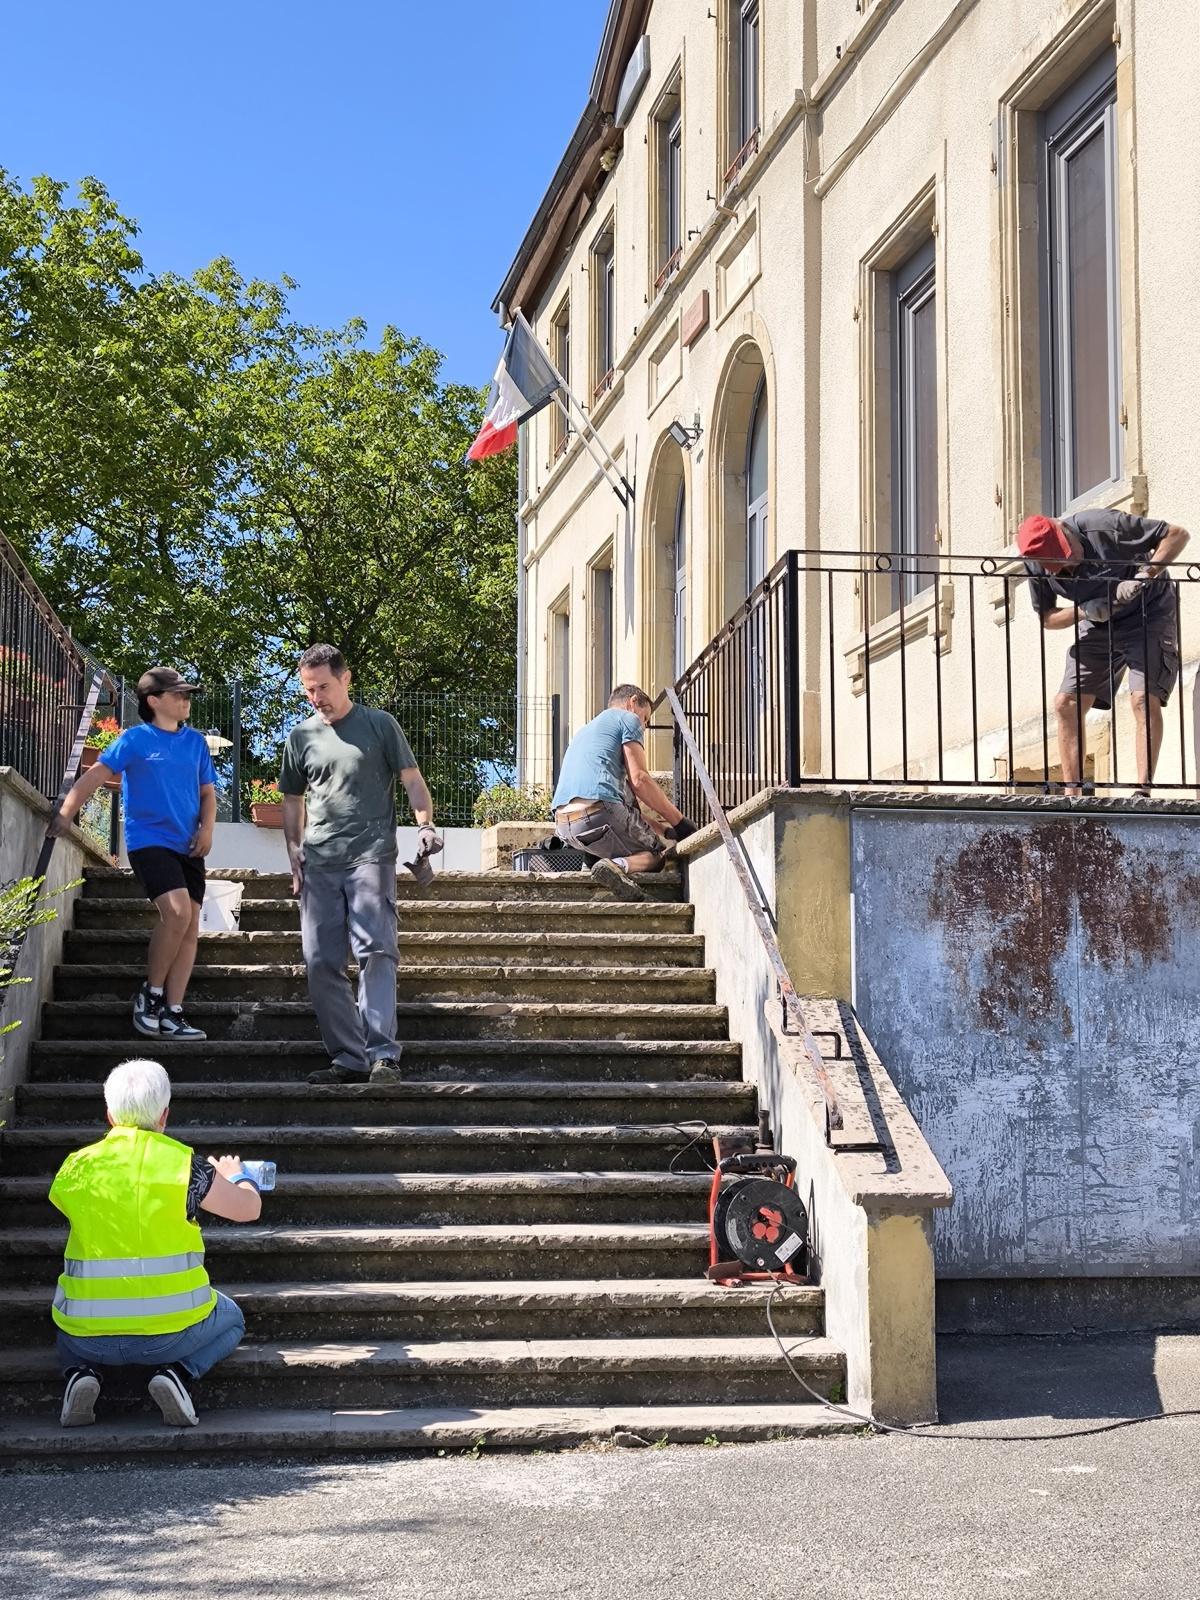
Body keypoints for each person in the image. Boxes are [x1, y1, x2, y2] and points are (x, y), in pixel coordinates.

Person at [51, 1058, 261, 1429]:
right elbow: (248, 1210)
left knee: (63, 1323)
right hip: (171, 1336)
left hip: (88, 1336)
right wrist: (238, 1176)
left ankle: (79, 1375)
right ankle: (178, 1374)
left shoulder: (75, 1167)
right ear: (164, 1115)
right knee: (232, 1319)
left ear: (109, 1116)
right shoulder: (185, 1166)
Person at [279, 643, 441, 1085]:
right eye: (309, 690)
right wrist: (293, 850)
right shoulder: (300, 737)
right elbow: (292, 800)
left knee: (376, 952)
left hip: (371, 855)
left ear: (345, 678)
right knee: (319, 961)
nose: (317, 697)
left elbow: (412, 780)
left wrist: (424, 825)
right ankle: (349, 1058)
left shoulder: (379, 725)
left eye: (324, 687)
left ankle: (382, 1056)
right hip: (319, 863)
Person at [53, 666, 217, 1040]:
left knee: (190, 925)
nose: (186, 699)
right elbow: (96, 774)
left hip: (188, 845)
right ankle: (152, 995)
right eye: (179, 694)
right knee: (174, 912)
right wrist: (65, 814)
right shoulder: (135, 740)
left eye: (188, 694)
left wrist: (207, 829)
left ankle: (174, 1012)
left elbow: (207, 793)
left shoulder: (195, 743)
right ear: (154, 701)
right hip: (149, 842)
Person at [1018, 511, 1190, 795]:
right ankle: (1074, 796)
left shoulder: (1104, 526)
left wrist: (1145, 575)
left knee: (1142, 699)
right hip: (1098, 622)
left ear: (1065, 530)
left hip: (1148, 614)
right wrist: (1084, 611)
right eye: (1057, 567)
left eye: (1065, 555)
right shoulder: (1035, 565)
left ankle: (1142, 792)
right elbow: (1047, 618)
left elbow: (1177, 534)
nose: (1066, 566)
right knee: (1066, 703)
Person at [551, 683, 698, 902]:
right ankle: (614, 866)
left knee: (621, 822)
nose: (645, 726)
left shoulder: (586, 732)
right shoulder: (628, 719)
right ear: (632, 703)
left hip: (564, 825)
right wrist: (680, 822)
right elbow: (640, 780)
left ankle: (592, 866)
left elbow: (626, 811)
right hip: (597, 814)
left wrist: (665, 831)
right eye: (646, 717)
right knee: (656, 855)